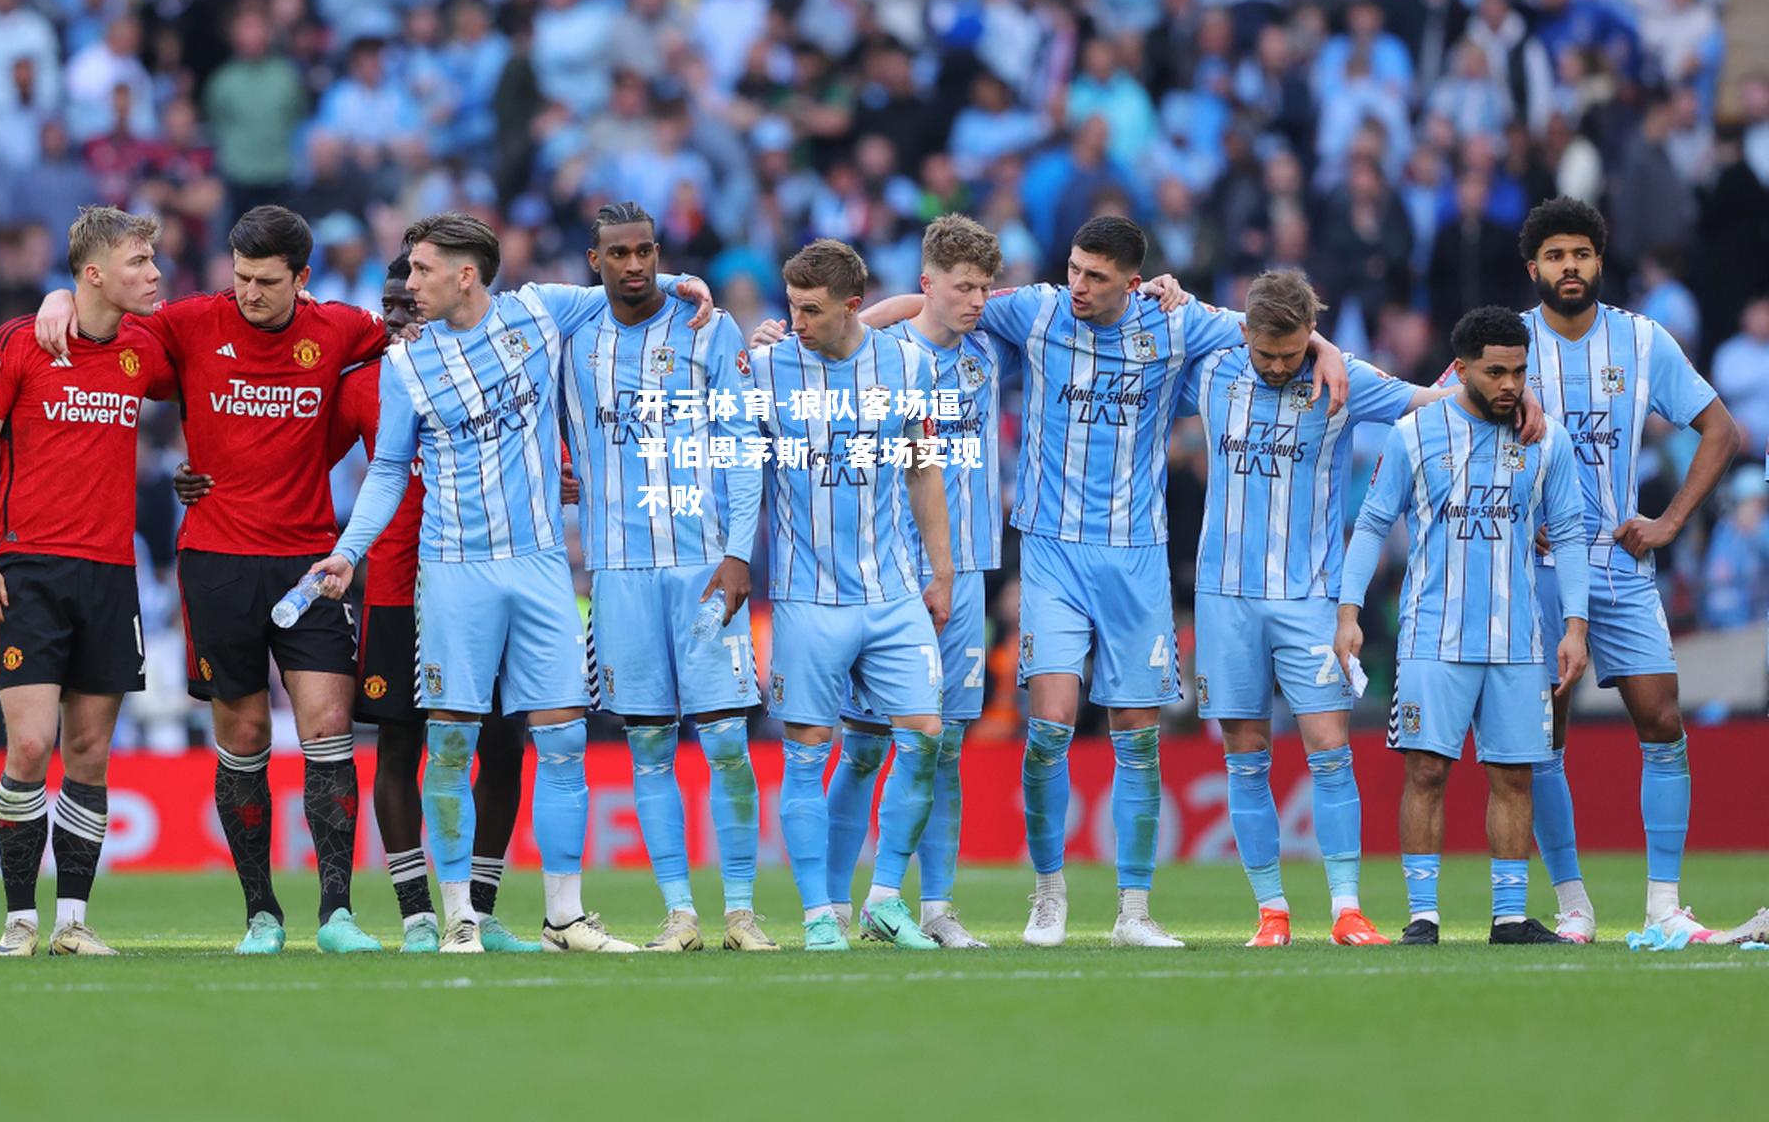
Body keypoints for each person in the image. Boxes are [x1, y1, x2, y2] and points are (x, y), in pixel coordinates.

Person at [876, 215, 1348, 947]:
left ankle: (1133, 912)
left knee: (1138, 734)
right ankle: (1049, 896)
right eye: (1073, 268)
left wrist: (1321, 346)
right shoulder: (1034, 310)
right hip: (1052, 550)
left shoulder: (1176, 320)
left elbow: (1269, 325)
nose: (1078, 286)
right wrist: (822, 328)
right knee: (1049, 727)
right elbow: (931, 304)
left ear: (1134, 281)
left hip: (1136, 555)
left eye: (1096, 276)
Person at [311, 212, 710, 953]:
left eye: (423, 270)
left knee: (561, 741)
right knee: (453, 745)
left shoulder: (539, 311)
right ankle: (460, 919)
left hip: (541, 566)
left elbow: (634, 292)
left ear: (467, 274)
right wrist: (350, 550)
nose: (410, 283)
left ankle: (564, 916)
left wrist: (691, 285)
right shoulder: (405, 365)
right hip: (455, 570)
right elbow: (391, 468)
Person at [36, 205, 392, 955]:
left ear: (302, 278)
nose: (251, 293)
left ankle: (337, 914)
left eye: (268, 282)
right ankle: (262, 912)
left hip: (308, 560)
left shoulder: (339, 331)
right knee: (246, 733)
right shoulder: (192, 323)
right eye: (242, 277)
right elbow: (104, 322)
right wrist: (59, 297)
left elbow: (410, 323)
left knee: (329, 729)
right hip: (218, 561)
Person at [173, 257, 538, 954]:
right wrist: (202, 477)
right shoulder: (366, 383)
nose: (399, 320)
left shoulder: (502, 364)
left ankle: (480, 911)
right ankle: (416, 917)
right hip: (398, 587)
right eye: (390, 308)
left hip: (496, 580)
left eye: (411, 304)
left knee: (499, 742)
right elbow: (289, 453)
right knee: (399, 744)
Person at [1177, 270, 1528, 946]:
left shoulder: (1347, 379)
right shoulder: (1214, 365)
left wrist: (1520, 402)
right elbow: (1174, 306)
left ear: (1313, 336)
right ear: (1246, 335)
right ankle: (1271, 914)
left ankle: (1346, 910)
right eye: (1266, 354)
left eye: (1292, 353)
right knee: (1245, 757)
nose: (1278, 366)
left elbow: (1437, 401)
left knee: (1331, 752)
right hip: (1224, 599)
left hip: (1311, 596)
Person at [1442, 197, 1740, 942]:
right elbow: (1447, 432)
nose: (1569, 267)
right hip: (1534, 574)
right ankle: (1575, 905)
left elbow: (1721, 429)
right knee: (1542, 735)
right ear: (1533, 267)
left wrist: (1668, 522)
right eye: (1555, 256)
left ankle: (1664, 906)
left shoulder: (1642, 342)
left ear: (1599, 260)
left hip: (1618, 563)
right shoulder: (1507, 348)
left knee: (1663, 720)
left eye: (1581, 253)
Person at [760, 214, 1009, 948]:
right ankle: (820, 914)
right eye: (791, 306)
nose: (795, 320)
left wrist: (942, 572)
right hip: (809, 596)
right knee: (824, 749)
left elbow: (921, 469)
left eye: (810, 307)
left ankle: (896, 900)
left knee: (930, 738)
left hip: (900, 589)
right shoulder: (767, 366)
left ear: (846, 301)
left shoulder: (913, 366)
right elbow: (739, 473)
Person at [0, 206, 176, 957]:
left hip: (112, 573)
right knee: (29, 744)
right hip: (28, 570)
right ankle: (18, 921)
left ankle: (72, 922)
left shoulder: (146, 346)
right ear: (94, 273)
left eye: (153, 260)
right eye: (140, 261)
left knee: (88, 749)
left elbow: (219, 366)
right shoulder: (20, 341)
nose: (155, 273)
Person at [1338, 306, 1589, 946]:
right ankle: (1423, 915)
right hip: (1432, 638)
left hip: (1517, 643)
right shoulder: (1416, 433)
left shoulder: (1546, 440)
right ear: (1465, 369)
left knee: (1513, 775)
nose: (1510, 384)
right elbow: (1371, 524)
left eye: (1519, 372)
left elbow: (1568, 535)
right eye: (1496, 371)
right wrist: (1348, 611)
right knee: (1426, 772)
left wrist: (1575, 627)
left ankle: (1509, 917)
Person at [559, 201, 772, 953]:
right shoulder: (570, 331)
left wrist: (739, 551)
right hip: (616, 572)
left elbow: (744, 442)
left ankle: (741, 912)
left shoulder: (706, 326)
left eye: (647, 251)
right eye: (618, 253)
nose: (636, 265)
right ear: (595, 263)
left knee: (725, 744)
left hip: (701, 564)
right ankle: (680, 913)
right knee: (649, 747)